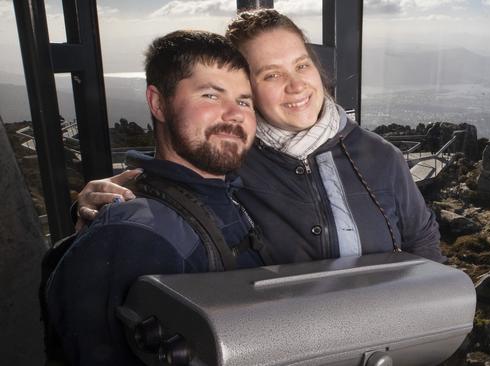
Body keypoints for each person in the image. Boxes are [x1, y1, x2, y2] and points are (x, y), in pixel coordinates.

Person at [76, 9, 444, 265]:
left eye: (301, 65)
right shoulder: (225, 162)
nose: (297, 84)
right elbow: (172, 198)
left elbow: (424, 245)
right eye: (271, 75)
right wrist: (95, 207)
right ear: (246, 90)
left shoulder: (380, 157)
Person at [47, 30, 263, 365]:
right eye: (210, 95)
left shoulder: (234, 200)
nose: (234, 114)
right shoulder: (133, 234)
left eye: (244, 101)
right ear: (158, 102)